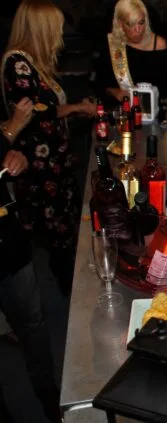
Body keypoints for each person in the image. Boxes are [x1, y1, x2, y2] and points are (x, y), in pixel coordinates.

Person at [1, 0, 97, 296]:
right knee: (59, 233)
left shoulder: (33, 62)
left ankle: (71, 287)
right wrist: (75, 108)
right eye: (55, 28)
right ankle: (71, 294)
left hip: (53, 161)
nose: (60, 34)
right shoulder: (17, 63)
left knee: (66, 228)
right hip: (38, 166)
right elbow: (38, 110)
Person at [1, 97, 61, 422]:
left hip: (7, 238)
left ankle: (49, 396)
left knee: (33, 323)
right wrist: (12, 130)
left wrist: (13, 157)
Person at [97, 0, 167, 107]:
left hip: (154, 109)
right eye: (130, 24)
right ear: (120, 24)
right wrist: (114, 91)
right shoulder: (113, 45)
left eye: (141, 22)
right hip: (123, 109)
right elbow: (101, 83)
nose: (138, 30)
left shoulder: (158, 44)